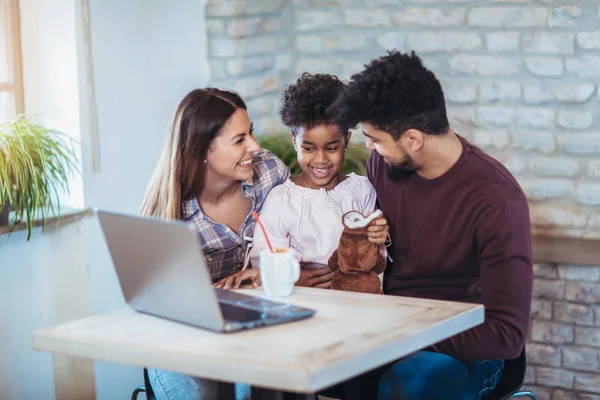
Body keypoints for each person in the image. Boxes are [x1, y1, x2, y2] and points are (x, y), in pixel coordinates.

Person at [329, 51, 533, 399]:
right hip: (394, 328)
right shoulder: (386, 165)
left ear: (413, 139)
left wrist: (405, 331)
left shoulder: (497, 201)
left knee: (410, 383)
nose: (369, 148)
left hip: (470, 346)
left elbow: (505, 335)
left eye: (375, 138)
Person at [139, 88, 290, 400]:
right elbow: (157, 306)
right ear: (203, 150)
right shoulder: (168, 213)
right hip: (184, 338)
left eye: (251, 133)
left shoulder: (270, 174)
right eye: (239, 140)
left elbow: (292, 241)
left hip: (257, 328)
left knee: (262, 385)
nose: (254, 146)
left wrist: (266, 272)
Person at [243, 72, 389, 287]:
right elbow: (265, 259)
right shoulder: (281, 200)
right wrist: (292, 278)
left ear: (346, 141)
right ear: (294, 141)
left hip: (355, 299)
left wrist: (379, 236)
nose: (321, 160)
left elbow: (374, 256)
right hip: (304, 300)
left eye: (331, 148)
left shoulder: (362, 190)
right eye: (308, 148)